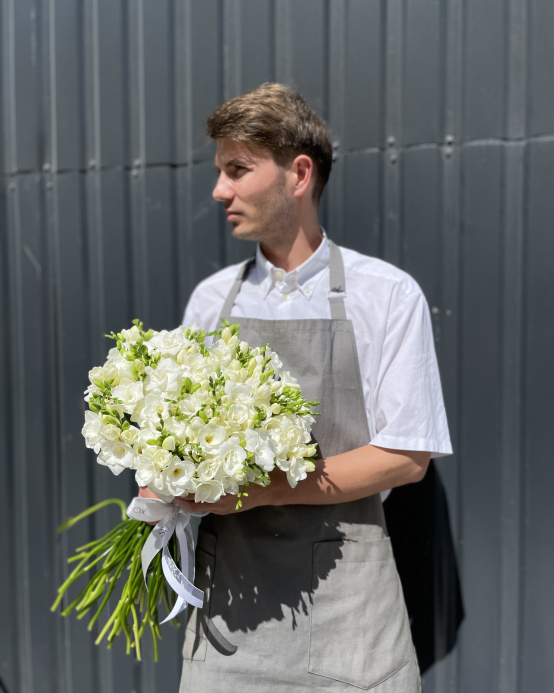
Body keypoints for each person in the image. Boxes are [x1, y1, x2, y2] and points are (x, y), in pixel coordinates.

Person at [141, 83, 453, 692]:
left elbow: (407, 456)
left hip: (345, 605)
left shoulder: (385, 294)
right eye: (219, 171)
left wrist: (264, 492)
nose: (219, 191)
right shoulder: (212, 301)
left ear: (298, 174)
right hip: (228, 607)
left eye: (237, 170)